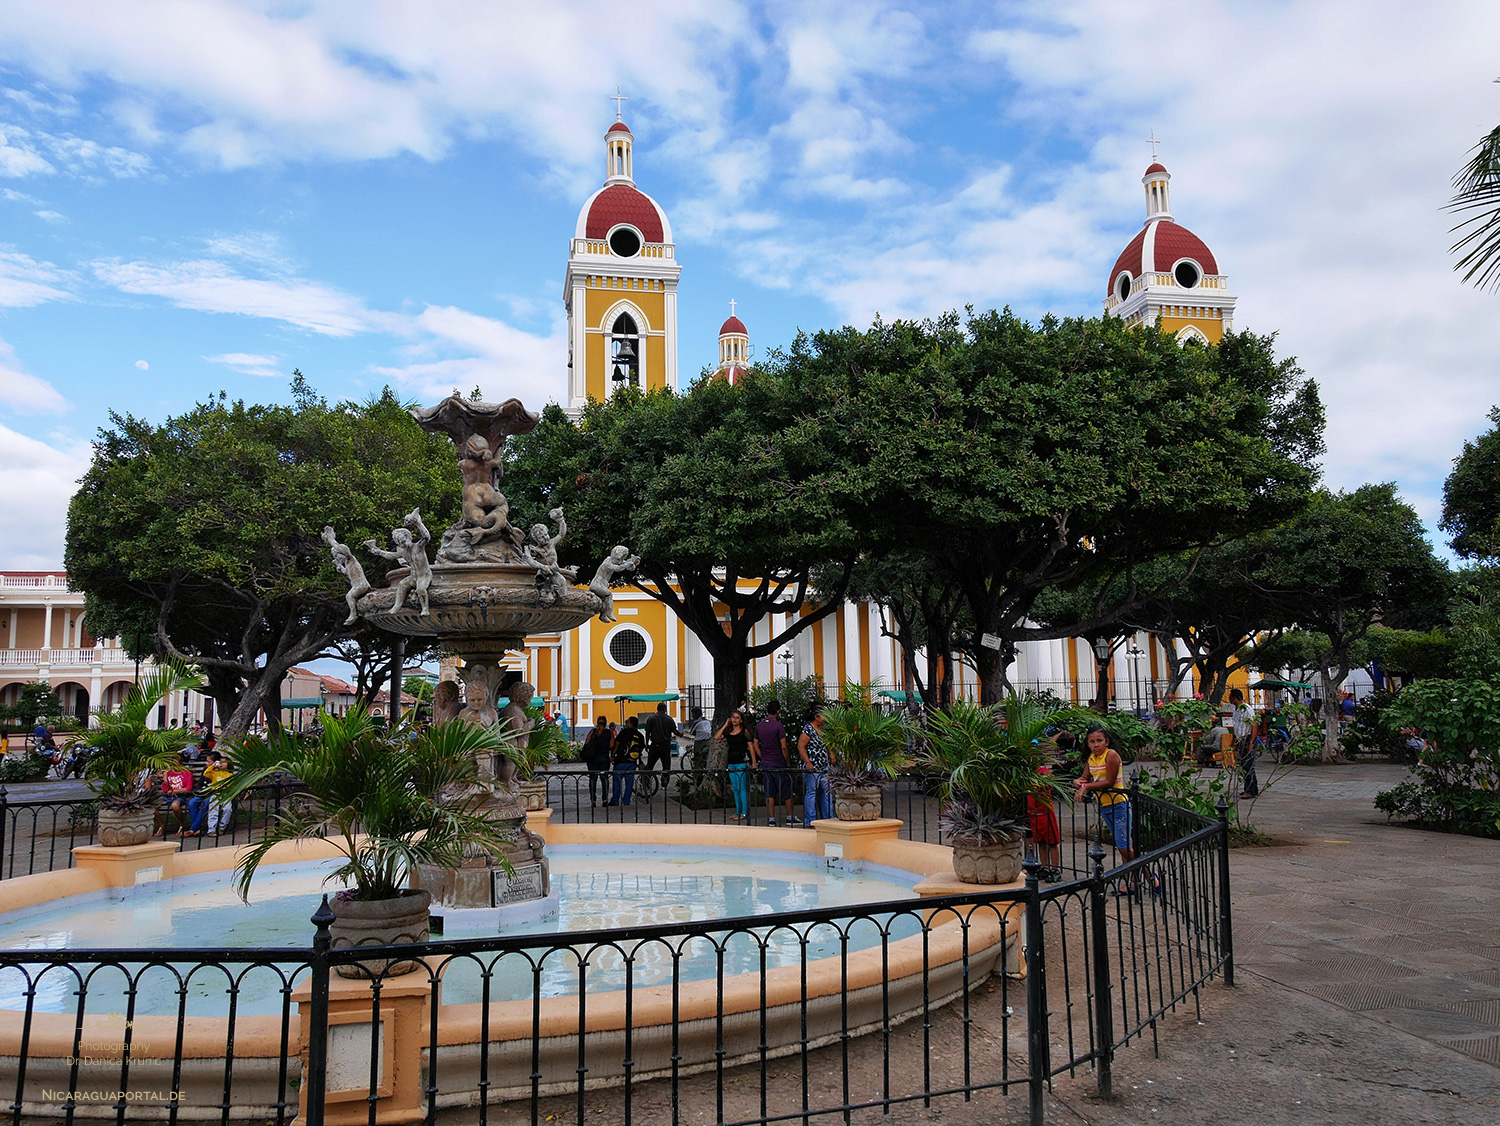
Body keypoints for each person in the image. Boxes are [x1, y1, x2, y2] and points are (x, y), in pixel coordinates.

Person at [1073, 725, 1134, 881]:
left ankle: (1150, 879)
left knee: (1125, 847)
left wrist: (1085, 787)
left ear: (1106, 741)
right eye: (1092, 742)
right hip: (1105, 806)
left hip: (1118, 804)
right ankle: (1131, 881)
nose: (1096, 745)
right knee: (1123, 848)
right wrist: (1078, 782)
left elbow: (1109, 782)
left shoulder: (1111, 755)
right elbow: (1084, 778)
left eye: (1099, 741)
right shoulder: (1091, 758)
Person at [754, 700, 796, 826]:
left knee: (769, 792)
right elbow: (784, 747)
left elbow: (755, 744)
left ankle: (771, 818)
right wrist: (787, 761)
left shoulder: (759, 726)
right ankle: (789, 817)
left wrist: (762, 756)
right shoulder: (779, 726)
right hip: (778, 762)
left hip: (766, 763)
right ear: (778, 711)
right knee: (786, 791)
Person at [715, 710, 758, 821]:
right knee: (735, 788)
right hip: (731, 763)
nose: (735, 719)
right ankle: (738, 810)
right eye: (733, 717)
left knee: (742, 787)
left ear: (741, 720)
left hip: (741, 762)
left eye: (737, 717)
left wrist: (754, 763)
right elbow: (717, 737)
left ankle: (744, 812)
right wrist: (725, 725)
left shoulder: (745, 732)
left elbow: (751, 748)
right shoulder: (729, 731)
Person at [798, 702, 832, 824]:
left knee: (826, 792)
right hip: (812, 767)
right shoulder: (808, 729)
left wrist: (831, 754)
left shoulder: (823, 729)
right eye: (824, 716)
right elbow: (801, 746)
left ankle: (827, 818)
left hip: (823, 767)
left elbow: (827, 744)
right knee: (812, 792)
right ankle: (810, 820)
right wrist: (808, 762)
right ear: (817, 717)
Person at [1027, 764, 1062, 880]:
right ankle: (1045, 867)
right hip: (1033, 812)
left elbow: (1047, 785)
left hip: (1045, 812)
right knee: (1040, 842)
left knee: (1052, 842)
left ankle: (1055, 869)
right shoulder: (1026, 771)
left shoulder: (1044, 771)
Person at [609, 715, 645, 806]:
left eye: (628, 722)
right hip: (632, 762)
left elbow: (617, 744)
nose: (626, 723)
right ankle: (626, 801)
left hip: (621, 761)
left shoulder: (624, 732)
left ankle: (615, 800)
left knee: (617, 781)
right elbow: (641, 748)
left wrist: (613, 755)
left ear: (631, 723)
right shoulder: (640, 735)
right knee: (629, 783)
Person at [154, 758, 195, 837]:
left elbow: (188, 788)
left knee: (175, 806)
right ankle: (161, 825)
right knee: (153, 807)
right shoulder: (169, 773)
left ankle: (181, 825)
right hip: (167, 796)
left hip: (181, 796)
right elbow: (165, 789)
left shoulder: (187, 773)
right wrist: (165, 776)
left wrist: (175, 791)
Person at [1229, 688, 1258, 798]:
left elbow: (1253, 725)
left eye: (1231, 697)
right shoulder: (1236, 710)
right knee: (1244, 765)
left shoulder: (1247, 709)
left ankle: (1250, 790)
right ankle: (1251, 788)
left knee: (1248, 765)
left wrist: (1251, 741)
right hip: (1240, 739)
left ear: (1235, 698)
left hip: (1247, 738)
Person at [580, 716, 614, 805]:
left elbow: (586, 743)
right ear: (606, 723)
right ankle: (605, 800)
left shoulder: (592, 732)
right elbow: (611, 745)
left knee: (592, 779)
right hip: (604, 759)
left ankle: (593, 800)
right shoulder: (609, 732)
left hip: (592, 759)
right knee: (604, 779)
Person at [643, 702, 677, 775]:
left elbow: (648, 733)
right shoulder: (669, 719)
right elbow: (674, 730)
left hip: (655, 745)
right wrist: (680, 734)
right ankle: (664, 782)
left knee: (650, 764)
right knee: (666, 765)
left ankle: (646, 780)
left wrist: (646, 744)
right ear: (664, 709)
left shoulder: (651, 718)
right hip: (665, 745)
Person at [685, 706, 712, 770]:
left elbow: (691, 732)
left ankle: (698, 774)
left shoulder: (697, 722)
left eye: (693, 714)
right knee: (706, 757)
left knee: (698, 759)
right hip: (708, 741)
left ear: (697, 713)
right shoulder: (707, 721)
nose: (692, 716)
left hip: (699, 742)